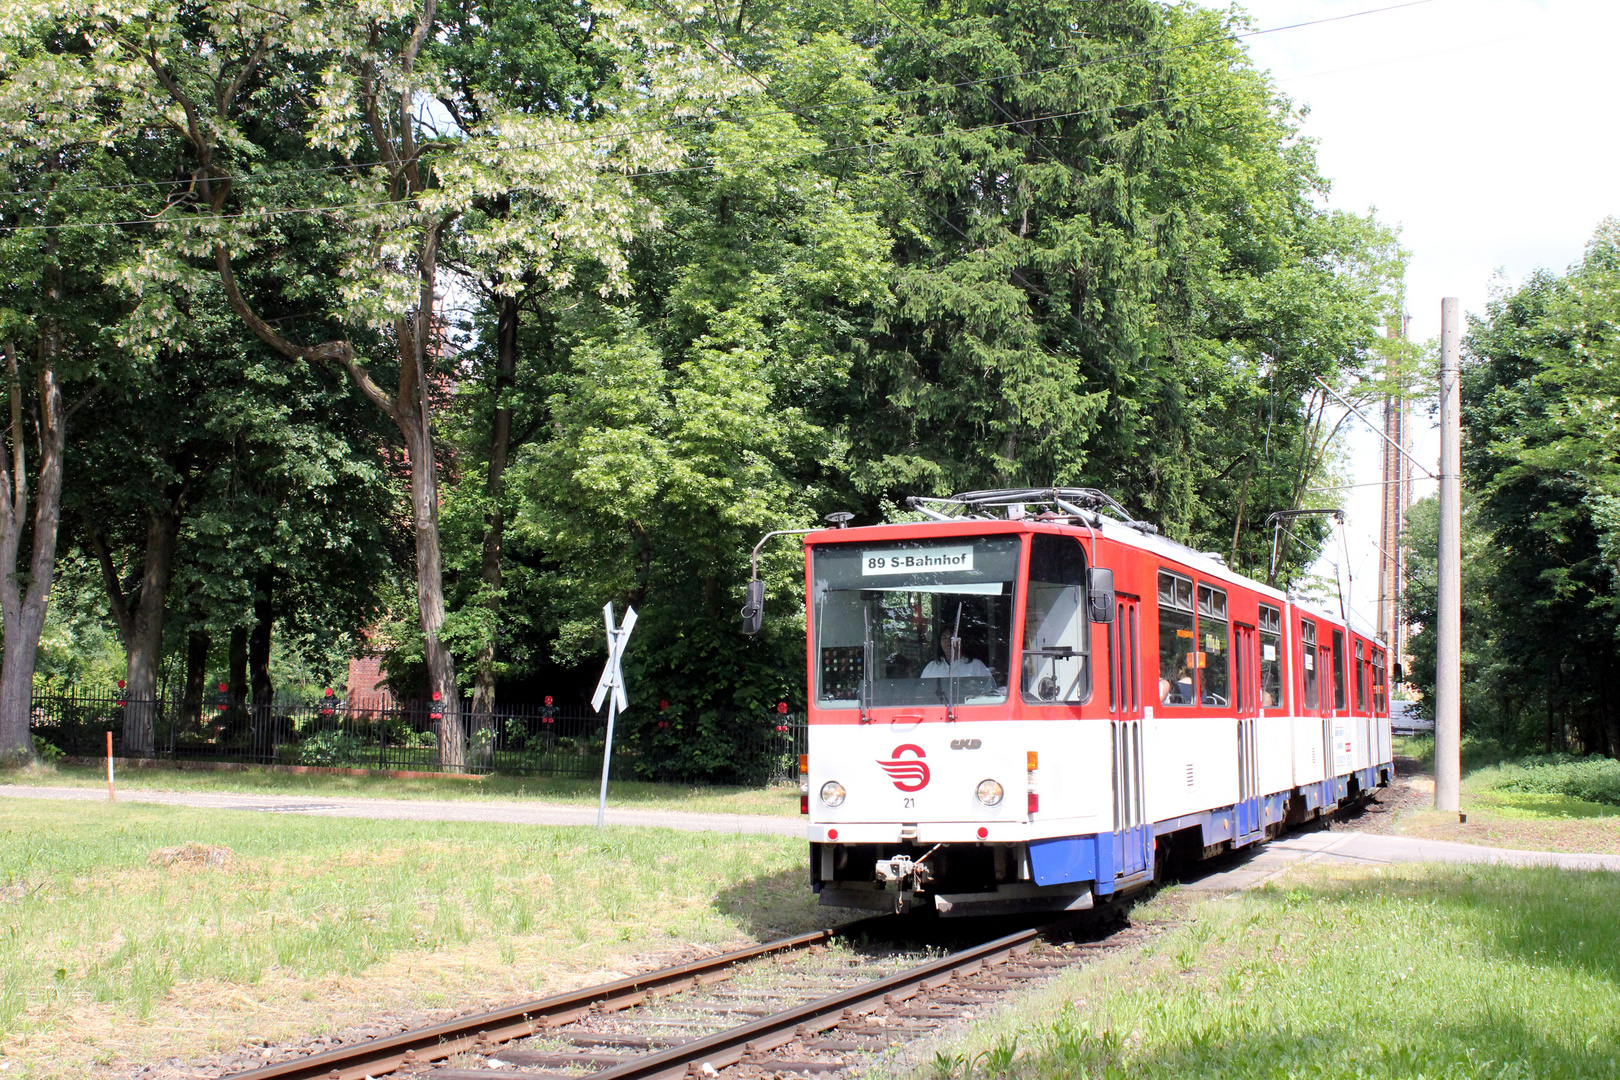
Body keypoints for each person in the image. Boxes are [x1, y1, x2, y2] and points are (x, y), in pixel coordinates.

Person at [921, 628, 992, 679]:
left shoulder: (976, 666)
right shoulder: (931, 668)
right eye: (943, 638)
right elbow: (921, 694)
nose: (948, 641)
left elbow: (990, 694)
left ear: (960, 641)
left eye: (951, 637)